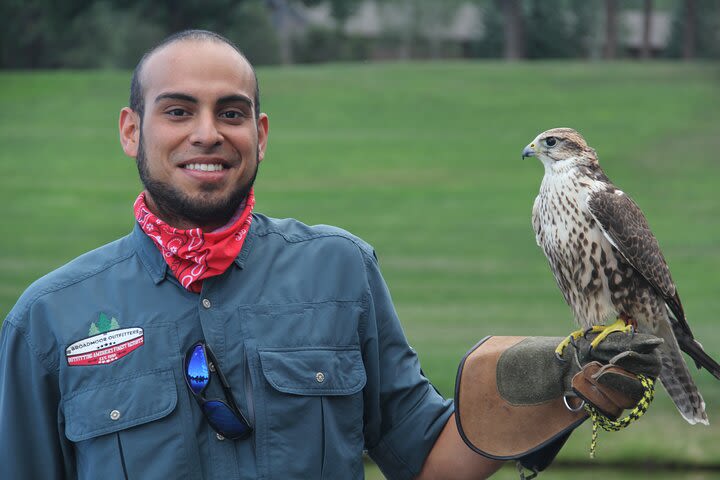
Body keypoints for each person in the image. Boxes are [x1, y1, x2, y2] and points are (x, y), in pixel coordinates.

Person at [0, 30, 660, 480]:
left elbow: (425, 459)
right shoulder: (49, 318)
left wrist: (559, 393)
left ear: (258, 134)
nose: (208, 133)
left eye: (231, 113)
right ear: (131, 130)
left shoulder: (339, 272)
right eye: (178, 111)